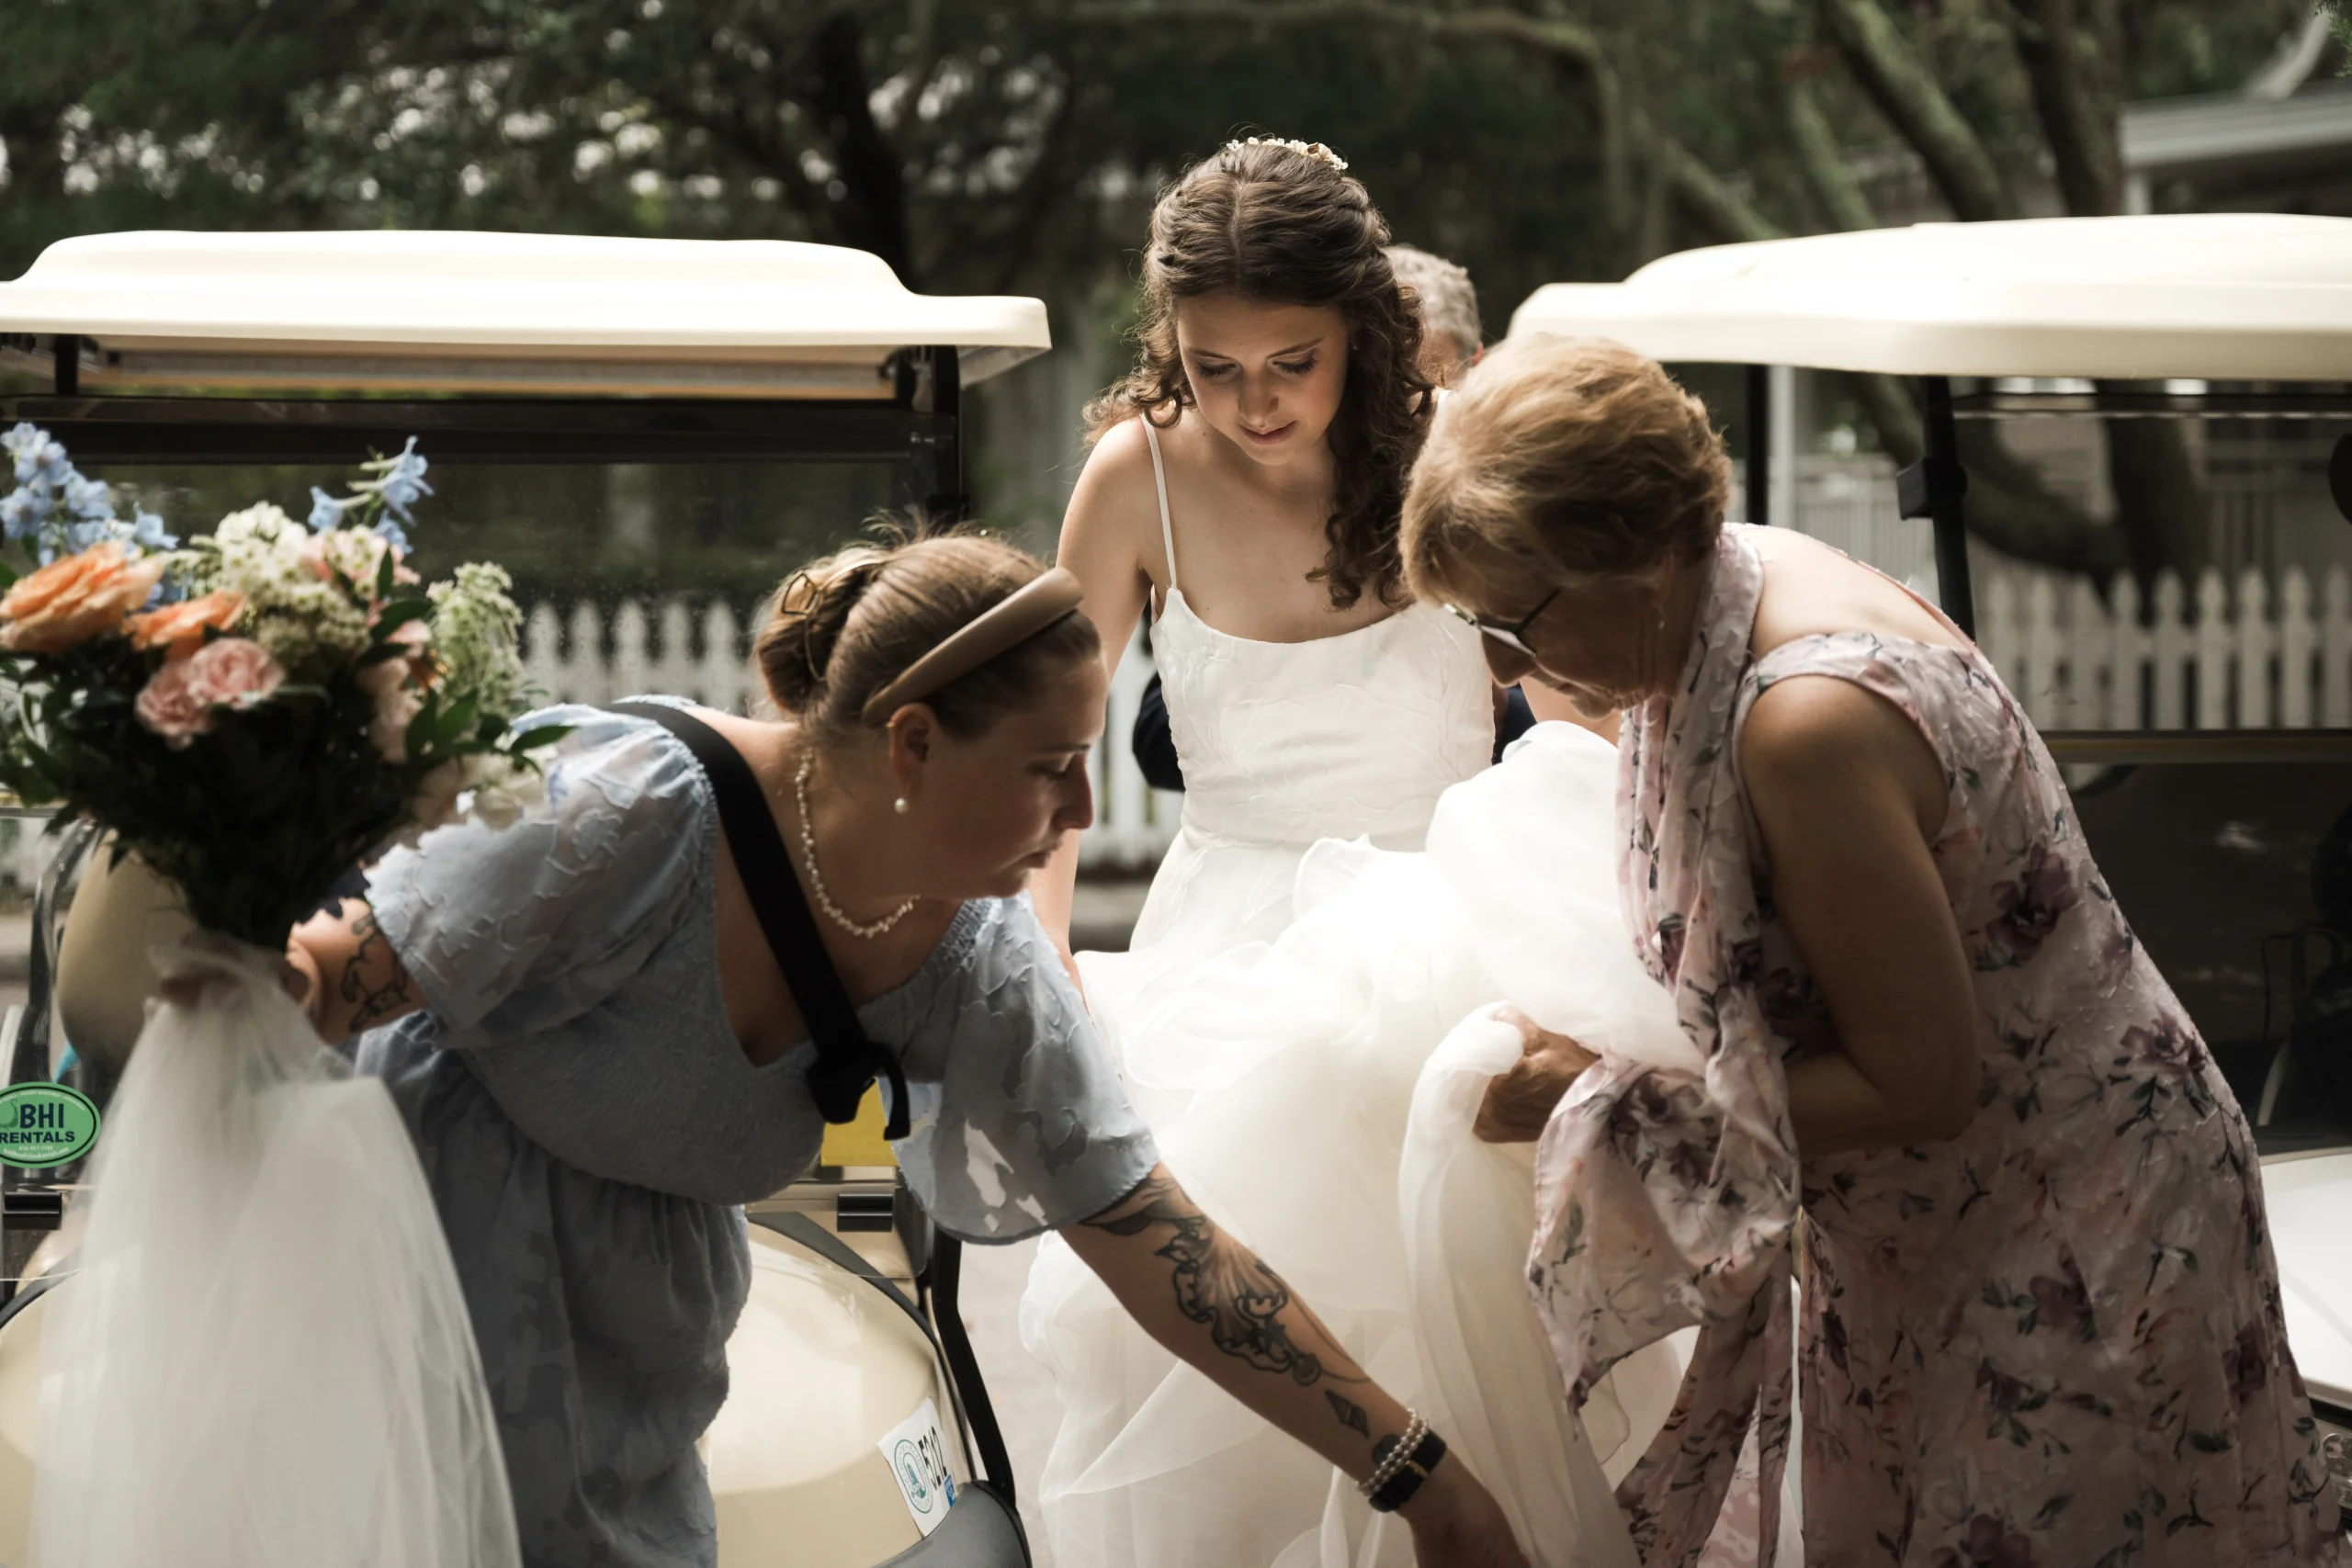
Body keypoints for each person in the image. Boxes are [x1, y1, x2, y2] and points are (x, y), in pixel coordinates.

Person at [77, 533, 1529, 1568]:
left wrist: (1415, 1469)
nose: (1077, 804)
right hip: (417, 1287)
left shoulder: (972, 957)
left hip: (641, 1346)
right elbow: (350, 968)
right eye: (1044, 764)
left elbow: (1148, 1231)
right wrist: (248, 936)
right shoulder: (621, 807)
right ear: (908, 742)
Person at [1400, 334, 2348, 1565]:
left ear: (1634, 561)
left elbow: (1918, 1078)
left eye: (1513, 617)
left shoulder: (1805, 721)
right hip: (1941, 1218)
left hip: (2067, 1226)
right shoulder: (1732, 580)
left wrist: (1615, 1102)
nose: (1499, 662)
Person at [1021, 140, 1671, 1568]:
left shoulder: (1453, 442)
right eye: (1213, 366)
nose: (1253, 403)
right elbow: (1041, 741)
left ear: (1363, 333)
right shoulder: (1136, 477)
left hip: (1451, 914)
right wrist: (1046, 953)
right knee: (1230, 1300)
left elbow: (1576, 691)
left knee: (1474, 1297)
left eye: (1291, 362)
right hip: (1227, 947)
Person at [1125, 242, 1530, 794]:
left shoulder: (1481, 459)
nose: (1399, 405)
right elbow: (1155, 728)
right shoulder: (1167, 481)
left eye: (1294, 365)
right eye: (1216, 368)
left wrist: (1499, 711)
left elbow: (1583, 717)